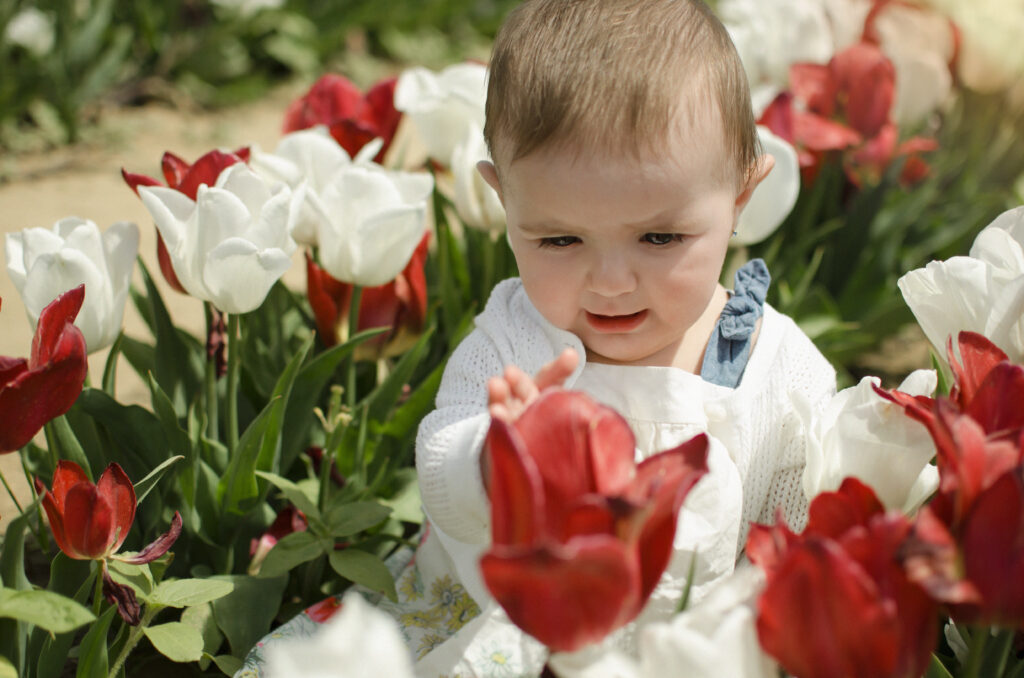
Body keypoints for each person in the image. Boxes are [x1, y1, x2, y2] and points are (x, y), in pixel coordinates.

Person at [238, 1, 836, 676]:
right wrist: (492, 460)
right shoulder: (516, 339)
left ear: (741, 195)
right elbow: (438, 467)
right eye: (559, 239)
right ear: (502, 198)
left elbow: (803, 507)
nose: (610, 282)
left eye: (660, 237)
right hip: (505, 619)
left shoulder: (776, 366)